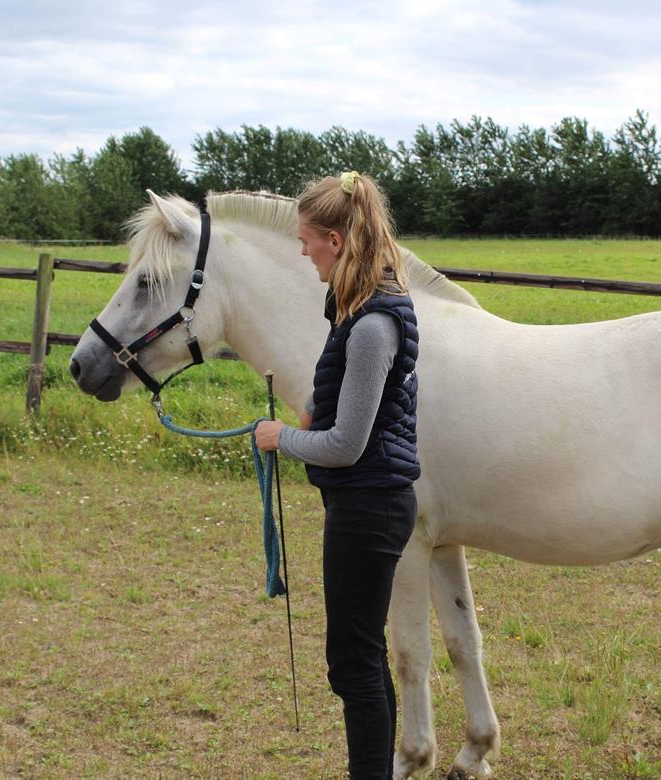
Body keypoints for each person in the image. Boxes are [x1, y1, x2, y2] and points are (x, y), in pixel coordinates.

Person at [254, 171, 420, 779]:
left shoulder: (373, 323)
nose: (302, 252)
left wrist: (282, 438)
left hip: (368, 505)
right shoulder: (357, 310)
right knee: (362, 656)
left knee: (352, 662)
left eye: (306, 241)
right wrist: (314, 410)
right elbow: (363, 410)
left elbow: (348, 445)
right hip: (368, 502)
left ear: (334, 238)